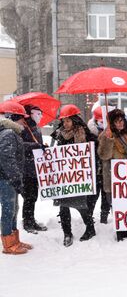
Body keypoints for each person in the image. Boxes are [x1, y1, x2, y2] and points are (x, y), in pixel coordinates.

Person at [53, 104, 97, 247]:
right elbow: (55, 154)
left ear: (74, 120)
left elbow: (93, 151)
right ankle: (67, 233)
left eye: (68, 120)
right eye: (63, 121)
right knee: (63, 206)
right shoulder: (59, 134)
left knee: (81, 205)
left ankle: (90, 229)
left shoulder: (84, 133)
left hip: (79, 177)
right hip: (64, 177)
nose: (65, 123)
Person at [0, 101, 33, 254]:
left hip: (10, 178)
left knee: (14, 208)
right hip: (6, 179)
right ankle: (8, 243)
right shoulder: (8, 133)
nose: (24, 121)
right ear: (14, 117)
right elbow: (7, 158)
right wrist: (15, 179)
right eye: (22, 118)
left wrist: (34, 146)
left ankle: (14, 239)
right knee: (8, 209)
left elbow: (19, 147)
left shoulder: (12, 133)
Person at [98, 109, 127, 242]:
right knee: (118, 206)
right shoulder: (105, 135)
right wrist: (108, 139)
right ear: (112, 123)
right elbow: (103, 155)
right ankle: (121, 233)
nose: (120, 123)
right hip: (113, 178)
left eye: (122, 120)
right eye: (117, 121)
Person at [20, 105, 48, 233]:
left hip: (35, 167)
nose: (40, 116)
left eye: (41, 113)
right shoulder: (23, 127)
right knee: (29, 197)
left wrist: (42, 146)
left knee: (33, 196)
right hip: (26, 168)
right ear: (30, 114)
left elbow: (37, 144)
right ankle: (27, 222)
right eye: (38, 113)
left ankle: (31, 219)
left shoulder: (36, 127)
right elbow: (20, 145)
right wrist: (35, 146)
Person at [87, 106, 111, 225]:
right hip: (94, 170)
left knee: (106, 196)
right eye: (101, 122)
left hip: (107, 170)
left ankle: (104, 217)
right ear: (95, 121)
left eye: (104, 122)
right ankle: (89, 215)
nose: (103, 124)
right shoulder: (90, 134)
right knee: (93, 196)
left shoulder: (110, 134)